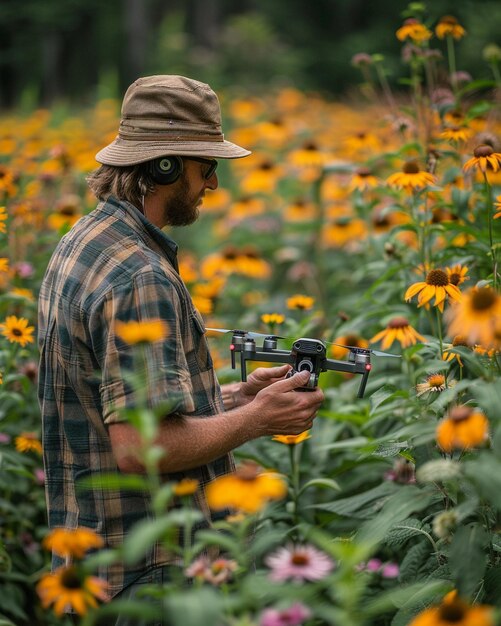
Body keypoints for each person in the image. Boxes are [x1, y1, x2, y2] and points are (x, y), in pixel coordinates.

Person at [37, 75, 324, 624]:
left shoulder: (84, 242)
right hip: (151, 572)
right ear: (164, 167)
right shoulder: (140, 276)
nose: (213, 183)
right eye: (205, 165)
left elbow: (120, 406)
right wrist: (259, 421)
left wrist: (236, 396)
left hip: (92, 561)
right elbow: (141, 449)